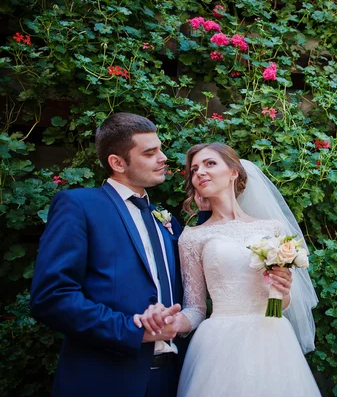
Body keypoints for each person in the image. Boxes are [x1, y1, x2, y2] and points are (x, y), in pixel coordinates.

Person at [30, 112, 207, 397]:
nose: (163, 157)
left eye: (160, 149)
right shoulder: (80, 206)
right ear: (117, 163)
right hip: (104, 378)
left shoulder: (167, 221)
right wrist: (133, 330)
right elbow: (52, 298)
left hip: (171, 379)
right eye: (150, 153)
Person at [138, 143, 321, 396]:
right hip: (219, 345)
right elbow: (196, 308)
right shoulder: (192, 237)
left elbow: (280, 304)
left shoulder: (273, 228)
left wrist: (283, 289)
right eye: (194, 169)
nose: (200, 172)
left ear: (234, 171)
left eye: (210, 164)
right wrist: (174, 322)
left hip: (273, 339)